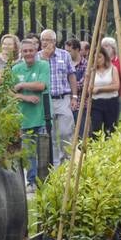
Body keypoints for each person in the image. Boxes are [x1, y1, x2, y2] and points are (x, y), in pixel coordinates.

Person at [7, 37, 49, 189]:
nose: (28, 53)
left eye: (31, 50)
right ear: (21, 52)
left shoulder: (43, 65)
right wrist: (24, 97)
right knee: (28, 153)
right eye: (25, 51)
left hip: (42, 116)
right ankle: (31, 182)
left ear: (36, 51)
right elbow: (9, 91)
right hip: (24, 118)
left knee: (43, 152)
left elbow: (41, 85)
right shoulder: (16, 69)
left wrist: (22, 84)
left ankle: (44, 182)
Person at [38, 29, 76, 169]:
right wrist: (45, 58)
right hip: (45, 100)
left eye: (48, 40)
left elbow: (71, 75)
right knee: (51, 135)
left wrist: (74, 96)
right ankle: (55, 166)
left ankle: (68, 163)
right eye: (43, 40)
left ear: (54, 41)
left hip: (62, 98)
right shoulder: (37, 57)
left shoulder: (64, 55)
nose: (45, 43)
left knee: (66, 132)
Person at [87, 43, 121, 138]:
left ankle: (109, 146)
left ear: (105, 57)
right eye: (94, 58)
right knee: (96, 128)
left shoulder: (112, 69)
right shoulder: (91, 71)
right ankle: (96, 146)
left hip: (111, 102)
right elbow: (89, 88)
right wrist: (92, 90)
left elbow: (116, 86)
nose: (97, 60)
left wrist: (99, 89)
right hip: (96, 103)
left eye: (99, 57)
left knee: (110, 129)